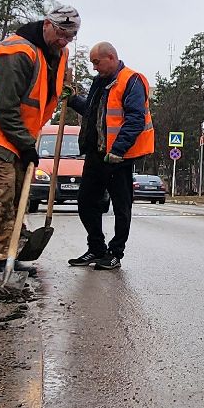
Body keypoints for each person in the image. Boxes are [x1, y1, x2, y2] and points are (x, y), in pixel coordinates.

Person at [0, 4, 80, 276]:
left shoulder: (59, 53)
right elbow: (4, 107)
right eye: (61, 34)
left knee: (18, 190)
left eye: (70, 37)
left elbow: (47, 85)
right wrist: (26, 145)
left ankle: (13, 248)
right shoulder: (18, 52)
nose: (63, 41)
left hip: (18, 134)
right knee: (3, 190)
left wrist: (63, 90)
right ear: (47, 25)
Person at [65, 42, 154, 270]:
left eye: (97, 62)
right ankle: (96, 248)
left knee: (121, 206)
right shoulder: (99, 82)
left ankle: (115, 254)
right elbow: (92, 112)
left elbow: (135, 119)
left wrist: (118, 150)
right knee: (85, 202)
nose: (94, 68)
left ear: (112, 57)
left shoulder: (132, 80)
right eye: (92, 63)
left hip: (118, 158)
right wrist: (73, 99)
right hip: (96, 154)